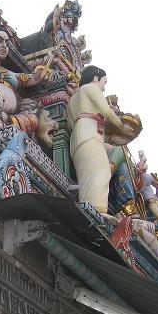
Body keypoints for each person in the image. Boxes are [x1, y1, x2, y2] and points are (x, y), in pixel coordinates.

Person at [64, 66, 126, 214]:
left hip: (78, 137)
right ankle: (98, 211)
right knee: (101, 171)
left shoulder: (73, 99)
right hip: (90, 132)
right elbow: (107, 111)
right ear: (96, 77)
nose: (104, 88)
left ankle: (89, 208)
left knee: (87, 175)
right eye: (104, 82)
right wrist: (122, 127)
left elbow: (70, 125)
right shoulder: (91, 88)